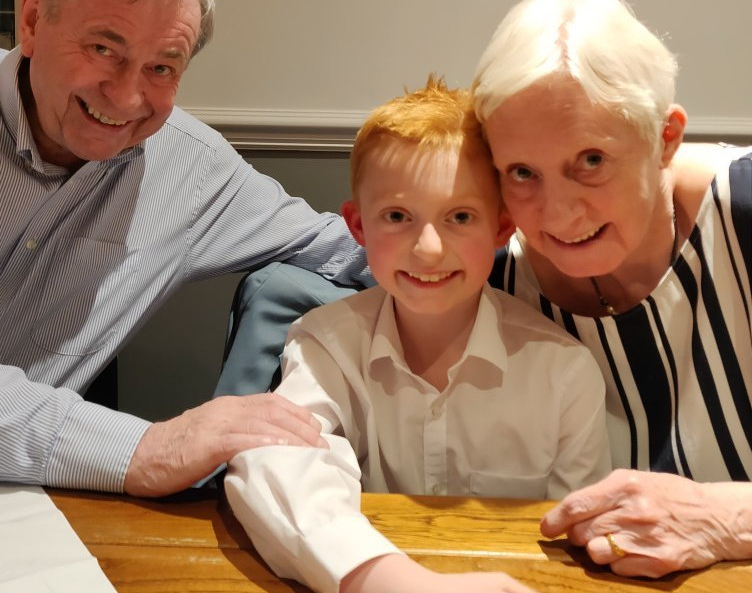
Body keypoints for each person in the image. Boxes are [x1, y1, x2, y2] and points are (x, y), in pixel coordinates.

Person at [0, 0, 372, 496]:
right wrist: (148, 449)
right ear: (34, 18)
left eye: (161, 67)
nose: (125, 96)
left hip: (7, 502)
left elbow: (352, 248)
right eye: (103, 48)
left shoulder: (193, 169)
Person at [225, 76, 610, 593]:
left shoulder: (563, 372)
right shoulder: (326, 344)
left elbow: (578, 535)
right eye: (398, 216)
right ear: (358, 227)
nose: (428, 249)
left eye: (460, 217)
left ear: (501, 228)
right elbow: (275, 463)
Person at [471, 0, 752, 578]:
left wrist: (724, 518)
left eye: (591, 160)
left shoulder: (743, 214)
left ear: (665, 138)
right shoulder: (486, 269)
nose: (557, 215)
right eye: (521, 172)